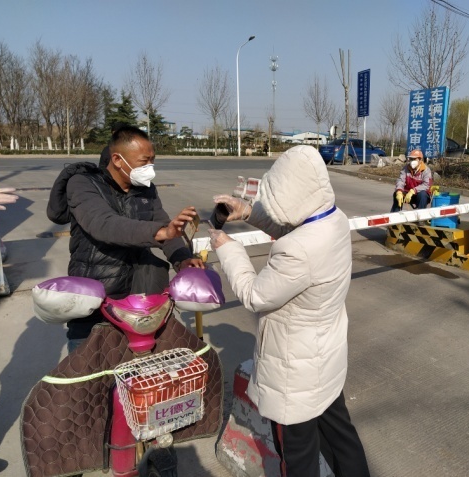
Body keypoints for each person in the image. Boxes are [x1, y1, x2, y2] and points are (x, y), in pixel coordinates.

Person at [208, 145, 370, 477]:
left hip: (295, 370)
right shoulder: (333, 219)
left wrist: (229, 250)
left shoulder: (298, 251)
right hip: (324, 357)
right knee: (340, 436)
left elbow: (255, 296)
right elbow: (297, 226)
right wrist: (249, 211)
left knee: (299, 453)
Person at [47, 125, 204, 353]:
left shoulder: (146, 189)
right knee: (91, 369)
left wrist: (183, 259)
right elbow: (104, 224)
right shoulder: (83, 183)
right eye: (144, 161)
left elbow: (165, 226)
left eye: (153, 161)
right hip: (98, 300)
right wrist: (161, 232)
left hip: (143, 298)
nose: (150, 168)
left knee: (144, 370)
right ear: (118, 160)